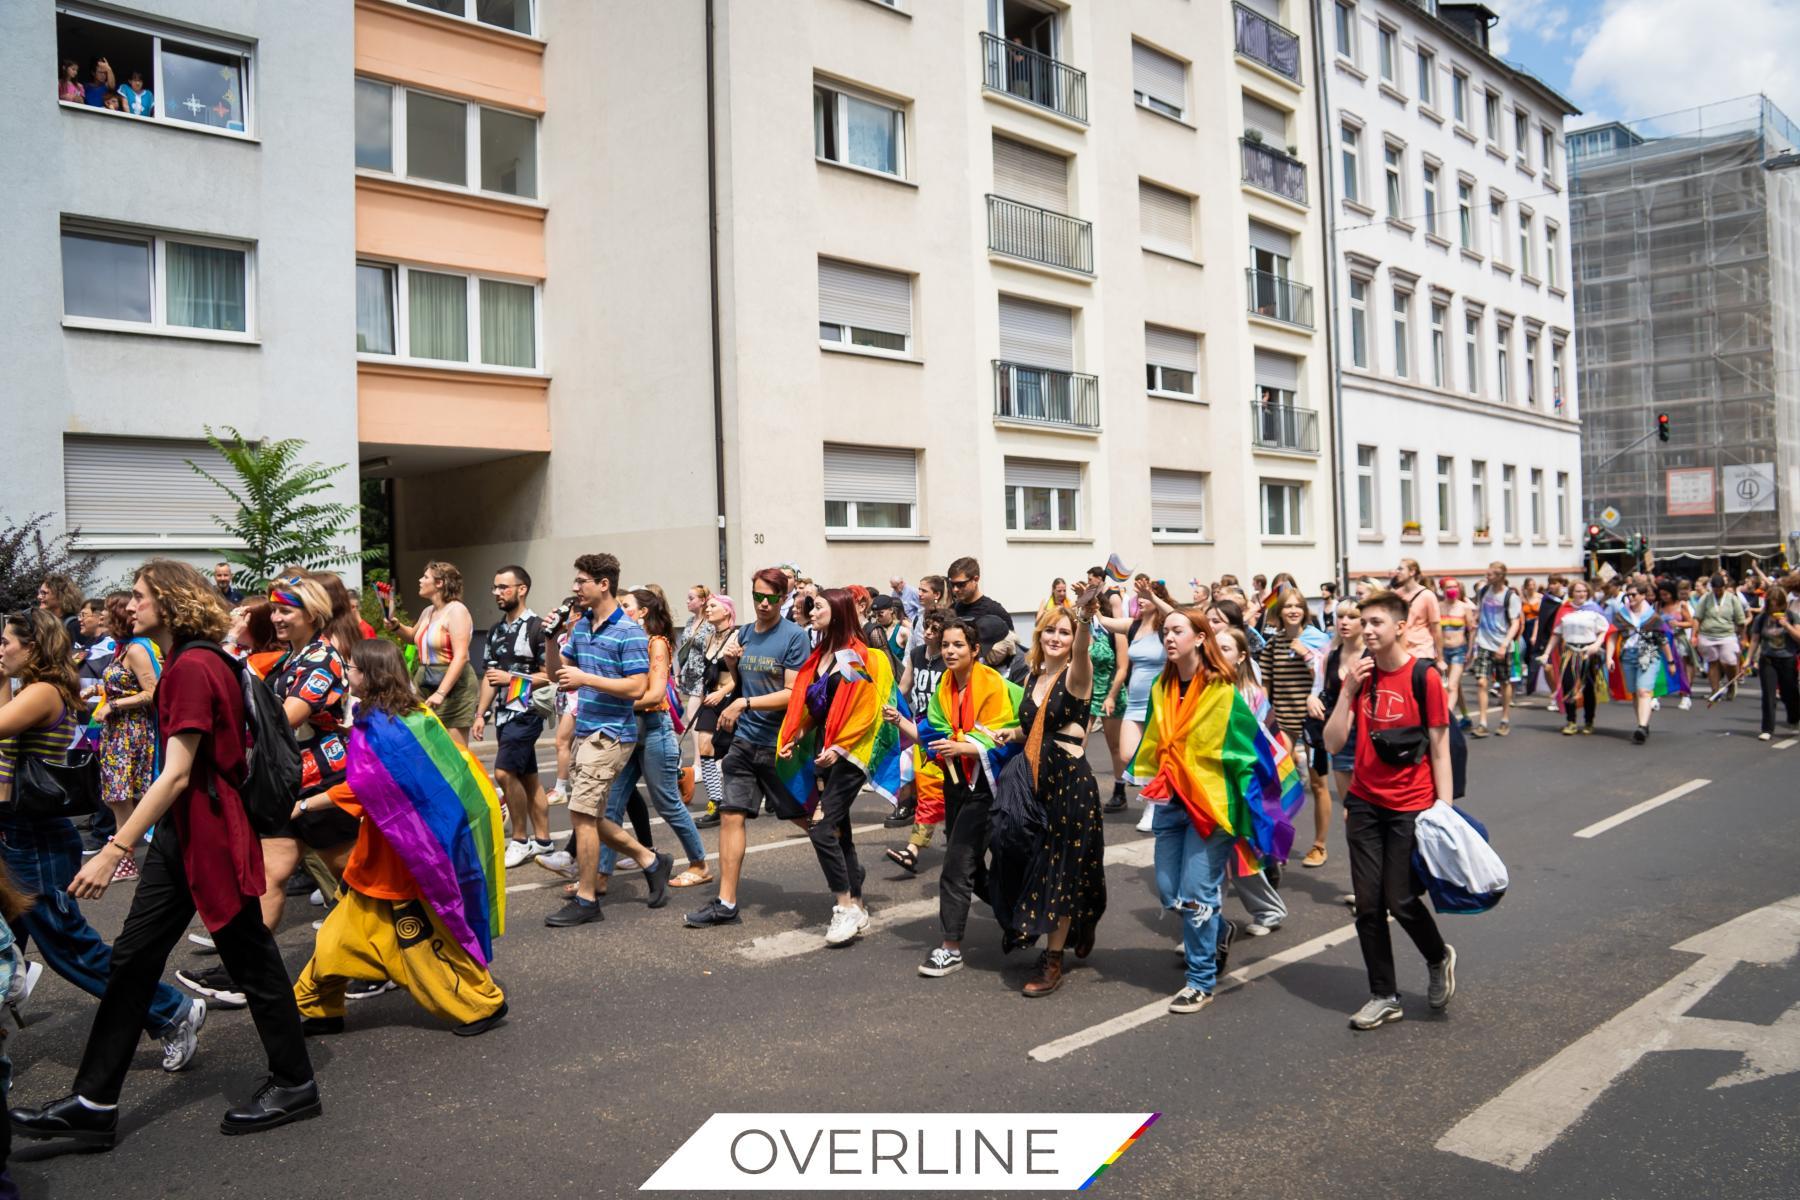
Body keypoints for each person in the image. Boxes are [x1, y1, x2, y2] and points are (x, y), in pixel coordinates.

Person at [11, 561, 318, 1149]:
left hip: (208, 833)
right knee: (132, 960)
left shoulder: (193, 667)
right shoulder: (188, 661)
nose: (131, 605)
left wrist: (113, 849)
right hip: (187, 833)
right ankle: (93, 1102)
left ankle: (295, 1082)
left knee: (251, 960)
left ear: (172, 602)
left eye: (141, 595)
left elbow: (177, 774)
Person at [0, 606, 204, 1055]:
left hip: (34, 839)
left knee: (69, 948)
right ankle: (11, 984)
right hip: (18, 833)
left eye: (5, 642)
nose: (0, 650)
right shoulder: (30, 689)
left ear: (31, 648)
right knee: (7, 943)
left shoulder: (41, 692)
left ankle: (169, 1009)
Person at [292, 639, 508, 1038]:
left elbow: (363, 788)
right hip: (387, 854)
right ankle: (317, 1007)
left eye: (352, 668)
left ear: (369, 675)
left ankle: (482, 1003)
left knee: (421, 949)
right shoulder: (412, 714)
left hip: (402, 860)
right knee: (337, 938)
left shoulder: (380, 727)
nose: (347, 674)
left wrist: (305, 805)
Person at [179, 575, 362, 1009]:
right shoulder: (290, 657)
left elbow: (281, 719)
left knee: (356, 881)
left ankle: (385, 961)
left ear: (312, 614)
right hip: (288, 784)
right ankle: (246, 974)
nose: (276, 617)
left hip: (324, 782)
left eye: (286, 610)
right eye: (275, 609)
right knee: (268, 877)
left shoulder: (323, 659)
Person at [1129, 607, 1303, 1014]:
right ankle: (1218, 927)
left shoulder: (1222, 692)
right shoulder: (1161, 687)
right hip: (1171, 803)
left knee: (1198, 894)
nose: (1169, 638)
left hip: (1211, 808)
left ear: (1200, 638)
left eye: (1177, 631)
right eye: (1165, 632)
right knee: (1170, 892)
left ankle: (1200, 980)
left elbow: (1251, 748)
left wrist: (1254, 803)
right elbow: (1156, 739)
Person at [1322, 589, 1457, 1032]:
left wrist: (1444, 810)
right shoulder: (1360, 676)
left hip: (1410, 806)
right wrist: (1348, 692)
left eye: (1376, 622)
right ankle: (1384, 995)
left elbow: (1440, 748)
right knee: (1367, 905)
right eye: (1364, 622)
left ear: (1400, 627)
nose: (1367, 629)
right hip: (1364, 802)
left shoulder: (1424, 676)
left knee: (1400, 899)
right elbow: (1333, 744)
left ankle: (1437, 956)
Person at [541, 555, 673, 927]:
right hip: (586, 730)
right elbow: (556, 674)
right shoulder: (582, 625)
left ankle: (587, 900)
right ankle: (651, 860)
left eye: (581, 580)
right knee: (590, 816)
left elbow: (637, 687)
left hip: (612, 734)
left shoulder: (629, 632)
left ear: (603, 584)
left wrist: (586, 678)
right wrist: (551, 640)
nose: (575, 587)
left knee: (583, 816)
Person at [988, 601, 1105, 996]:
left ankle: (1053, 960)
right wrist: (1012, 733)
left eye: (1064, 632)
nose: (1056, 638)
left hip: (1070, 786)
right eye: (1050, 630)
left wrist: (1084, 619)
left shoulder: (1077, 674)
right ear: (1039, 635)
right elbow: (1036, 726)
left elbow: (1083, 650)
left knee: (1060, 870)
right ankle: (1076, 920)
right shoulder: (1032, 677)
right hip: (1033, 783)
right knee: (1015, 848)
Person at [685, 568, 811, 928]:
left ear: (783, 598)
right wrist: (731, 665)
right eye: (757, 596)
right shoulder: (744, 634)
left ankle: (843, 861)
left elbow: (792, 694)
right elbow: (742, 683)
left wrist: (745, 704)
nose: (763, 603)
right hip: (744, 742)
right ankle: (726, 903)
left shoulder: (794, 637)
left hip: (778, 745)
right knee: (731, 814)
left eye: (771, 597)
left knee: (804, 817)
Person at [777, 589, 903, 946]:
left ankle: (844, 906)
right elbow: (815, 709)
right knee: (838, 831)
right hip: (824, 751)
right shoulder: (819, 656)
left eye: (818, 606)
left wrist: (840, 746)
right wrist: (796, 735)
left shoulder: (853, 657)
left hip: (850, 754)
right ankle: (857, 904)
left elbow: (865, 709)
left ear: (838, 611)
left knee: (821, 827)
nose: (811, 610)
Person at [915, 618, 1022, 978]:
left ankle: (950, 948)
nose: (949, 651)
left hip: (987, 785)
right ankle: (1018, 917)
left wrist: (965, 745)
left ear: (975, 650)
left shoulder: (992, 683)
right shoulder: (945, 684)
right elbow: (933, 726)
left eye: (958, 645)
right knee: (973, 868)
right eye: (946, 644)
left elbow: (1001, 733)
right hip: (956, 781)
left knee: (957, 864)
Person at [598, 590, 708, 892]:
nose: (620, 609)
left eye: (626, 605)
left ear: (643, 612)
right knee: (611, 806)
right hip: (629, 731)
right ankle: (600, 876)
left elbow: (656, 694)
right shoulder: (627, 641)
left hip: (655, 730)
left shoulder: (656, 642)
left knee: (667, 803)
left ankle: (700, 864)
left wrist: (613, 702)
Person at [473, 565, 555, 869]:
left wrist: (513, 679)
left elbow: (550, 674)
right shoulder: (495, 631)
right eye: (495, 587)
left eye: (503, 587)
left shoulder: (537, 628)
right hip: (504, 714)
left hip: (528, 711)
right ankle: (543, 842)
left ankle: (519, 840)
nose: (497, 592)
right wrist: (480, 713)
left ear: (522, 589)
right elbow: (489, 676)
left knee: (505, 773)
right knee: (528, 777)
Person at [1257, 587, 1333, 868]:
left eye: (1297, 606)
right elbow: (1266, 685)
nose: (1292, 610)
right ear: (1279, 612)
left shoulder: (1318, 640)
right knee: (1275, 781)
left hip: (1314, 723)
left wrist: (1307, 655)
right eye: (1287, 606)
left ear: (1304, 610)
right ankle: (1277, 840)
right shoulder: (1273, 644)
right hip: (1284, 721)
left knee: (1318, 784)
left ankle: (1319, 846)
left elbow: (1325, 679)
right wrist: (1261, 718)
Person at [94, 592, 162, 883]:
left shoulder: (136, 650)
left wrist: (114, 705)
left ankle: (125, 859)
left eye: (106, 614)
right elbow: (125, 684)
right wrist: (98, 692)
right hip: (117, 732)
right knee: (117, 796)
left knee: (122, 796)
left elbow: (153, 692)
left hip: (130, 732)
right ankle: (127, 853)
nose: (101, 619)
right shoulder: (121, 648)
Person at [1101, 577, 1176, 829]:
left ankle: (1154, 804)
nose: (1141, 600)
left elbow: (1179, 616)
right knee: (1127, 753)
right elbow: (1105, 622)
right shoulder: (1133, 626)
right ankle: (1159, 795)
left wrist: (1153, 597)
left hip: (1161, 702)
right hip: (1134, 703)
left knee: (1160, 754)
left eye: (1146, 597)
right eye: (1139, 597)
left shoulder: (1167, 627)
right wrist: (1091, 604)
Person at [885, 606, 949, 872]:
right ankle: (914, 847)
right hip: (919, 727)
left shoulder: (950, 658)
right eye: (927, 626)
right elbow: (904, 687)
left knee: (939, 792)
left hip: (943, 731)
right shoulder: (916, 654)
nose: (928, 632)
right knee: (927, 790)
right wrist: (889, 704)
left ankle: (950, 835)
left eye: (935, 629)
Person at [386, 561, 477, 745]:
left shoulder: (457, 611)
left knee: (454, 751)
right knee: (428, 747)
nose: (420, 580)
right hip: (425, 680)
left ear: (439, 583)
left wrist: (441, 692)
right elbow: (413, 637)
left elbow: (461, 656)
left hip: (453, 686)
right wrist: (396, 625)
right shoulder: (428, 611)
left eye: (425, 577)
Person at [689, 594, 738, 829]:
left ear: (727, 611)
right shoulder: (709, 638)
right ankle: (716, 804)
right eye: (707, 606)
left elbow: (740, 676)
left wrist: (723, 693)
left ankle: (762, 790)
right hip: (711, 700)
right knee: (705, 747)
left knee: (735, 752)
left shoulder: (737, 636)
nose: (707, 610)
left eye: (713, 606)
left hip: (732, 700)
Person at [1309, 601, 1365, 806]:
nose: (1344, 622)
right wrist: (1311, 699)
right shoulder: (1331, 656)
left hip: (1367, 737)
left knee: (1368, 807)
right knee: (1349, 807)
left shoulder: (1372, 656)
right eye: (1340, 616)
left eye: (1352, 617)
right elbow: (1318, 689)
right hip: (1340, 737)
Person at [1610, 577, 1667, 744]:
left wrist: (1671, 662)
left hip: (1648, 652)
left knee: (1644, 691)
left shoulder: (1652, 616)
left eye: (1633, 595)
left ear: (1643, 595)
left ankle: (1642, 727)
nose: (1630, 598)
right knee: (1635, 692)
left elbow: (1662, 639)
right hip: (1628, 654)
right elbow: (1613, 636)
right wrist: (1609, 657)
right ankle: (1643, 723)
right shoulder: (1622, 615)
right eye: (1628, 595)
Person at [1468, 563, 1522, 737]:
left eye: (1490, 574)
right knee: (1481, 682)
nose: (1487, 577)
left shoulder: (1510, 596)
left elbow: (1515, 623)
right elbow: (1479, 610)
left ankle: (1504, 719)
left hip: (1502, 645)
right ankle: (1483, 723)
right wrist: (1475, 619)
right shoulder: (1483, 591)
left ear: (1500, 576)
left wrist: (1505, 644)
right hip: (1484, 642)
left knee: (1504, 682)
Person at [1746, 588, 1800, 741]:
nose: (1774, 609)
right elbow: (1755, 639)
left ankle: (1794, 718)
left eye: (1777, 606)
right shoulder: (1762, 618)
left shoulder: (1792, 616)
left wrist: (1787, 626)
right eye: (1771, 606)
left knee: (1789, 693)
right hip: (1768, 659)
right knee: (1769, 694)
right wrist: (1748, 659)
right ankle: (1767, 728)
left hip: (1787, 659)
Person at [947, 557, 1018, 671]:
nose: (955, 589)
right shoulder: (952, 610)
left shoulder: (995, 610)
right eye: (952, 584)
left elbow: (1012, 650)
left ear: (975, 579)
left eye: (961, 584)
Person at [1694, 573, 1748, 701]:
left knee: (1729, 661)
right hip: (1708, 634)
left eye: (1720, 589)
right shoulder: (1706, 598)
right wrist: (1694, 635)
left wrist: (1743, 637)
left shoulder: (1732, 599)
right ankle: (1715, 690)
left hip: (1727, 634)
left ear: (1724, 587)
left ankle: (1731, 684)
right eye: (1715, 589)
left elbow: (1740, 620)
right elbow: (1697, 617)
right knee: (1712, 662)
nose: (1718, 592)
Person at [1392, 559, 1444, 672]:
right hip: (1402, 650)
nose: (1397, 572)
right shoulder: (1396, 595)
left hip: (1422, 651)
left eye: (1400, 569)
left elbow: (1436, 628)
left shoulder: (1427, 596)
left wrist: (1440, 659)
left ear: (1412, 572)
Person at [1439, 578, 1472, 726]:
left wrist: (1470, 650)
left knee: (1451, 686)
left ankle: (1447, 719)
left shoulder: (1464, 607)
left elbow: (1472, 630)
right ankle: (1465, 716)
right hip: (1442, 651)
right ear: (1442, 590)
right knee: (1453, 686)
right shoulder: (1438, 607)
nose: (1452, 590)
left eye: (1454, 587)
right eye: (1448, 587)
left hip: (1459, 650)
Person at [1532, 575, 1569, 706]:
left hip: (1567, 638)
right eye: (1550, 583)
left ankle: (1565, 694)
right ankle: (1555, 694)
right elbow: (1541, 619)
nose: (1551, 586)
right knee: (1547, 668)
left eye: (1554, 583)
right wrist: (1536, 635)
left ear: (1561, 583)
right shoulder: (1547, 600)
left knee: (1565, 668)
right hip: (1549, 637)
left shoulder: (1569, 598)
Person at [38, 574, 84, 642]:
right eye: (39, 592)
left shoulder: (73, 626)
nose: (39, 597)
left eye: (43, 593)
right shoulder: (48, 625)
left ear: (60, 596)